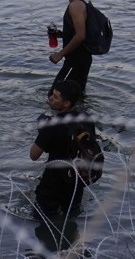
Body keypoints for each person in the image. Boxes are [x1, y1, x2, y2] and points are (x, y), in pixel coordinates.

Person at [30, 79, 95, 220]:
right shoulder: (86, 118)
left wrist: (42, 129)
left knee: (41, 223)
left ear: (66, 103)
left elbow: (34, 155)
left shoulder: (52, 125)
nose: (50, 98)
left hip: (52, 186)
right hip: (76, 184)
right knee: (70, 223)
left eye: (55, 96)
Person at [48, 0, 93, 94]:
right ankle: (82, 113)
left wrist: (60, 54)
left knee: (55, 95)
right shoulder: (77, 4)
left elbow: (80, 35)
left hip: (77, 60)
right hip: (80, 60)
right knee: (75, 97)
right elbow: (77, 32)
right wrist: (60, 34)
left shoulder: (76, 6)